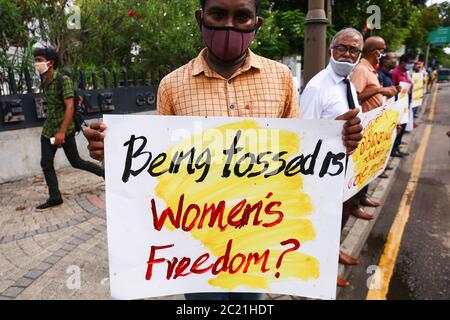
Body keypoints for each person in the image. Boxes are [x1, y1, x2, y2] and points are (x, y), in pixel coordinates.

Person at [84, 0, 363, 299]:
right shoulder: (171, 86)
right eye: (218, 14)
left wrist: (334, 141)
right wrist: (113, 152)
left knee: (249, 301)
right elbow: (160, 163)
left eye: (242, 16)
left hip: (259, 230)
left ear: (256, 24)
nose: (229, 25)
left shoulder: (281, 78)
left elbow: (296, 151)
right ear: (200, 18)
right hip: (196, 237)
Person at [300, 27, 365, 287]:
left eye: (354, 50)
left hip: (344, 166)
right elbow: (304, 134)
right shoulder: (317, 87)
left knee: (336, 215)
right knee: (320, 222)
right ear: (331, 50)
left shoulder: (347, 83)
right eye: (343, 48)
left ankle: (333, 253)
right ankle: (319, 272)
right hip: (320, 171)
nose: (348, 54)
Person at [33, 48, 104, 210]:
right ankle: (55, 196)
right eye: (36, 60)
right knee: (46, 163)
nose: (36, 63)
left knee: (76, 162)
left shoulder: (62, 80)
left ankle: (105, 174)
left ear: (50, 63)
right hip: (49, 130)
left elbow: (70, 107)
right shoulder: (46, 81)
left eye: (39, 59)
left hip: (65, 129)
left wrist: (62, 133)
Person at [348, 36, 400, 221]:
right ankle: (354, 205)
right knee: (362, 168)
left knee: (369, 166)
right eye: (382, 50)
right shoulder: (361, 70)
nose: (384, 54)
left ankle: (362, 198)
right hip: (364, 128)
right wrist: (379, 90)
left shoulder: (370, 70)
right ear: (375, 52)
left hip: (375, 127)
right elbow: (355, 97)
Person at [391, 53, 414, 158]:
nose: (411, 65)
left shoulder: (405, 73)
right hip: (397, 106)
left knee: (402, 128)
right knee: (397, 129)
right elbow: (392, 89)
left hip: (405, 105)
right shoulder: (395, 73)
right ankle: (393, 149)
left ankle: (397, 148)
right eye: (410, 62)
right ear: (403, 62)